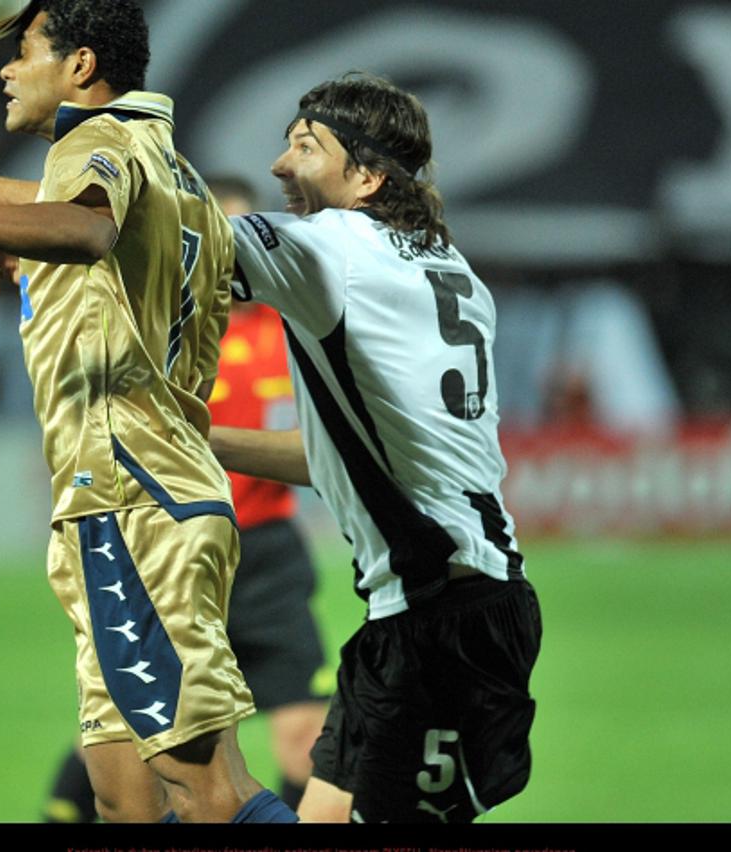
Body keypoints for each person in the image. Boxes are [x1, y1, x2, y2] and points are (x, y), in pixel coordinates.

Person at [0, 0, 295, 824]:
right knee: (122, 798)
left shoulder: (97, 142)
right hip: (130, 496)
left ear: (81, 66)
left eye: (24, 51)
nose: (7, 68)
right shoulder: (169, 164)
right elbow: (77, 219)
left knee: (207, 791)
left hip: (134, 496)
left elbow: (85, 229)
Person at [211, 72, 543, 823]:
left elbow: (169, 238)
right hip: (428, 611)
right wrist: (196, 436)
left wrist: (4, 230)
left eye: (305, 146)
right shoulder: (448, 269)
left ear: (365, 176)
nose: (280, 164)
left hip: (443, 617)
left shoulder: (337, 249)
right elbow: (337, 459)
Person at [41, 177, 333, 823]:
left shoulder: (293, 332)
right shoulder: (150, 325)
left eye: (235, 235)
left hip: (265, 556)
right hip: (168, 548)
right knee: (137, 747)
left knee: (305, 742)